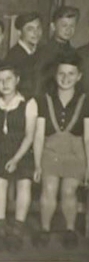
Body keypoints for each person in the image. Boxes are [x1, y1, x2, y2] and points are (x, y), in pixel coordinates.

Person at [32, 53, 89, 250]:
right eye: (61, 74)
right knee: (49, 188)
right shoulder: (44, 100)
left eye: (71, 74)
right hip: (50, 151)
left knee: (68, 190)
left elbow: (88, 137)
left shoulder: (85, 100)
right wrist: (38, 164)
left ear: (79, 76)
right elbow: (39, 136)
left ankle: (70, 229)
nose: (66, 78)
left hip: (76, 153)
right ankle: (45, 229)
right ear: (55, 75)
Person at [0, 65, 38, 253]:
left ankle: (17, 231)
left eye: (8, 79)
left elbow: (29, 135)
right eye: (0, 80)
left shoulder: (28, 103)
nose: (4, 84)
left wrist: (16, 159)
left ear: (17, 79)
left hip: (22, 152)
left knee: (24, 184)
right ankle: (0, 232)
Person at [36, 6, 80, 95]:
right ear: (53, 26)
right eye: (64, 25)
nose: (68, 29)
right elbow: (37, 86)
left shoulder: (75, 53)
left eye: (72, 25)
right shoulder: (43, 53)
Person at [5, 12, 43, 98]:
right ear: (19, 32)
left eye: (38, 28)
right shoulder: (13, 57)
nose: (36, 32)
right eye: (30, 29)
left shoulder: (42, 52)